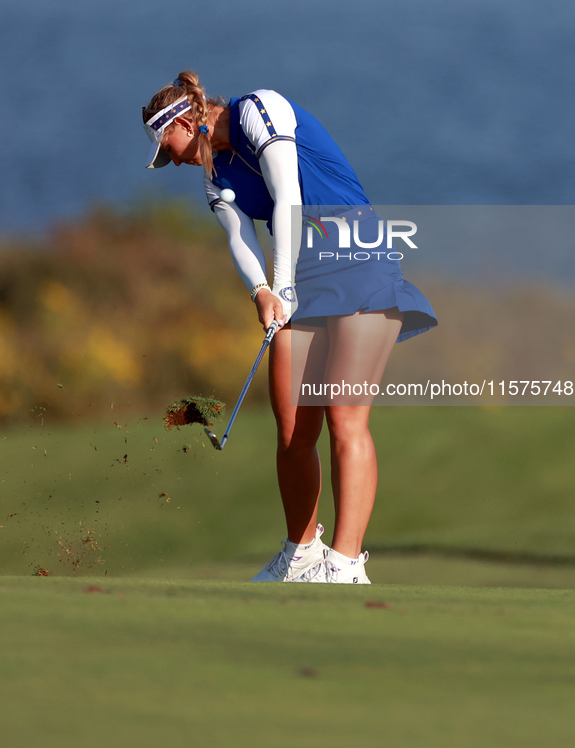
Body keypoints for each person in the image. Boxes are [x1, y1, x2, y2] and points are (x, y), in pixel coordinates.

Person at [142, 70, 437, 584]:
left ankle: (345, 565)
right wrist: (262, 291)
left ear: (189, 120)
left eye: (175, 148)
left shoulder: (261, 109)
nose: (179, 162)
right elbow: (238, 237)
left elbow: (288, 194)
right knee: (294, 426)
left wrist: (282, 284)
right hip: (300, 276)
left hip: (356, 259)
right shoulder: (215, 174)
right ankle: (301, 554)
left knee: (346, 418)